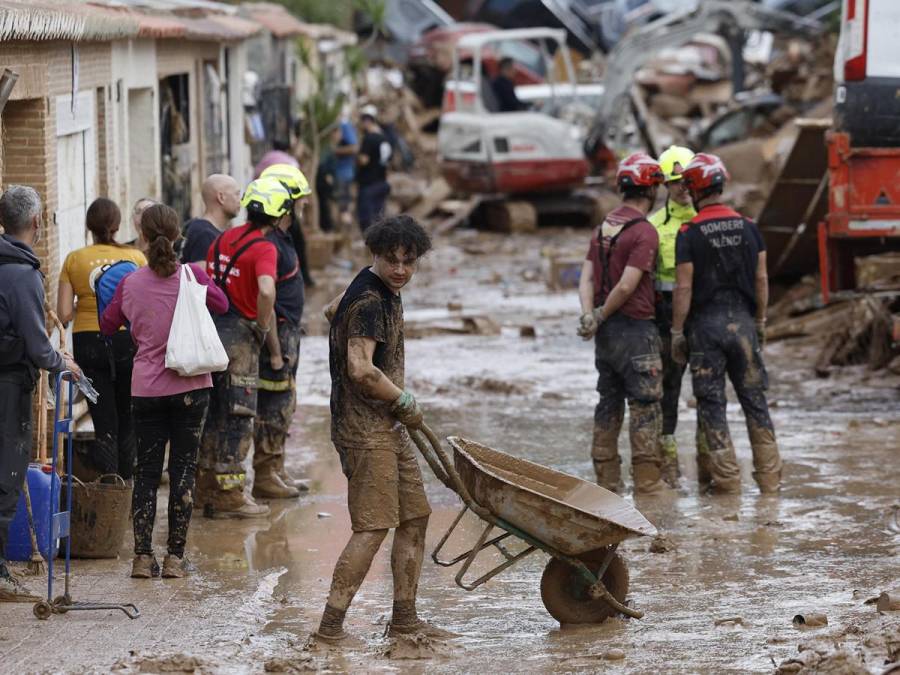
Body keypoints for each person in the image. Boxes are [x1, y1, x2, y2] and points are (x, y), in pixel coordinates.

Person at [315, 215, 452, 644]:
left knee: (414, 517)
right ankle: (330, 629)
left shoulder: (376, 288)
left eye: (408, 262)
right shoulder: (372, 303)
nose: (400, 270)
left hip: (386, 426)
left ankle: (405, 621)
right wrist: (401, 399)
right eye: (391, 261)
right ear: (374, 255)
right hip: (364, 430)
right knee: (373, 527)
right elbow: (360, 368)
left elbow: (329, 309)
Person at [100, 204, 228, 578]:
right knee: (184, 470)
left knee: (147, 472)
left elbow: (108, 325)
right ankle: (175, 558)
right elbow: (223, 304)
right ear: (177, 237)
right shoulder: (192, 276)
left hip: (147, 389)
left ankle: (142, 557)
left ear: (142, 236)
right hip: (191, 388)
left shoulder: (130, 282)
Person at [671, 153, 782, 494]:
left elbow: (684, 286)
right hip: (745, 326)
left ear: (693, 189)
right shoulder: (750, 227)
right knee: (755, 400)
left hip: (706, 330)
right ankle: (770, 483)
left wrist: (677, 331)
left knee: (712, 404)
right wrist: (760, 320)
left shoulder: (689, 232)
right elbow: (762, 279)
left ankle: (729, 485)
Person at [0, 185, 81, 600]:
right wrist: (61, 362)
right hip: (9, 385)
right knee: (8, 474)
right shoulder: (22, 273)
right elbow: (35, 342)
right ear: (36, 223)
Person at [576, 153, 670, 496]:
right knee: (645, 407)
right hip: (635, 331)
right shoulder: (644, 231)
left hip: (606, 337)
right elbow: (629, 285)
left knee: (608, 402)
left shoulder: (603, 226)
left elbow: (586, 276)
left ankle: (607, 486)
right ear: (652, 190)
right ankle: (647, 485)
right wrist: (601, 314)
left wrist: (590, 315)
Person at [197, 177, 289, 519]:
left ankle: (204, 489)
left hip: (214, 331)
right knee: (238, 416)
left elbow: (207, 278)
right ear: (279, 216)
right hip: (241, 341)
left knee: (212, 415)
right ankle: (231, 494)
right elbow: (266, 291)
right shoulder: (265, 248)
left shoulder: (223, 238)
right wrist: (264, 326)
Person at [57, 197, 146, 480]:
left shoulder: (74, 259)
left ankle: (110, 482)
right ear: (118, 226)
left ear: (89, 227)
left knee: (103, 415)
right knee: (127, 415)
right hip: (126, 340)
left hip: (89, 341)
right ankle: (128, 483)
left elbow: (64, 313)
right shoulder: (136, 258)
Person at [254, 163, 314, 499]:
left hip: (288, 330)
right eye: (300, 201)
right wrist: (275, 348)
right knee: (275, 402)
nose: (305, 206)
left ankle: (276, 467)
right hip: (277, 333)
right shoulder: (270, 244)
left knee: (285, 401)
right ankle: (265, 473)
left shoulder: (282, 238)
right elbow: (266, 294)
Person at [648, 145, 697, 486]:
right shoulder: (652, 226)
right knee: (668, 390)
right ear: (665, 184)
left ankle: (712, 468)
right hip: (664, 317)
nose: (682, 187)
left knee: (710, 392)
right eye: (675, 181)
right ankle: (668, 466)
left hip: (703, 315)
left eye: (687, 180)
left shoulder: (705, 221)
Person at [181, 174, 242, 264]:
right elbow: (201, 276)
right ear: (221, 197)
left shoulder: (200, 229)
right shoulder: (204, 235)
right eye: (236, 194)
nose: (240, 200)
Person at [355, 105, 392, 232]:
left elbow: (364, 160)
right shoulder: (385, 138)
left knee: (366, 220)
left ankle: (369, 247)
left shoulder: (369, 138)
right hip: (382, 183)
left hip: (369, 185)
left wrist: (357, 157)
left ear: (367, 121)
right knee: (379, 219)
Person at [334, 117, 358, 226]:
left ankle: (346, 232)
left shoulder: (345, 126)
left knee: (343, 206)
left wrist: (335, 151)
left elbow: (354, 148)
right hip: (340, 174)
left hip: (344, 174)